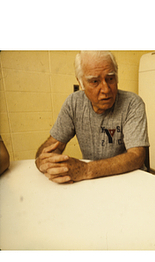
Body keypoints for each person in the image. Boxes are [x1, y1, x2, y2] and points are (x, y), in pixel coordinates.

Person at [35, 51, 149, 184]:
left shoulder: (132, 103)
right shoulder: (74, 103)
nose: (106, 89)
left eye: (110, 78)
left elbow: (137, 156)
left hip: (129, 180)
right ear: (81, 83)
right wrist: (44, 159)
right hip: (95, 181)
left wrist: (86, 170)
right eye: (95, 81)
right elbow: (53, 145)